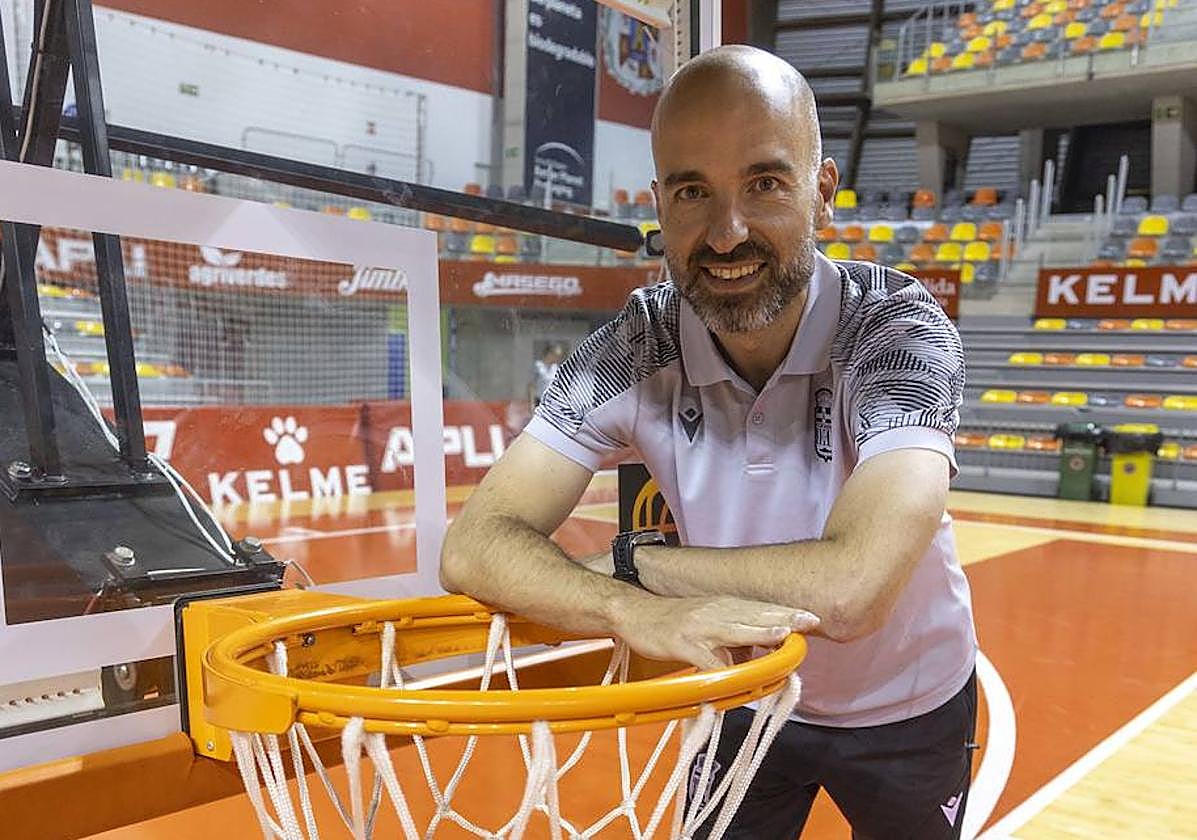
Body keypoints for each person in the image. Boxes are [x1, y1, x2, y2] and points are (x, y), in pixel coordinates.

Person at [442, 45, 976, 839]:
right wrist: (629, 613)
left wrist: (638, 565)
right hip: (741, 690)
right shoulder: (636, 343)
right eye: (693, 192)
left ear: (821, 193)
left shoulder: (893, 329)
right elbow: (472, 549)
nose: (726, 234)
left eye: (764, 183)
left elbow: (852, 590)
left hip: (902, 702)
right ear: (660, 202)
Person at [528, 341, 566, 411]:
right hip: (540, 400)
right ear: (549, 354)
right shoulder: (538, 366)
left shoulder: (555, 367)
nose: (558, 358)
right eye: (556, 356)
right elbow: (531, 386)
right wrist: (531, 403)